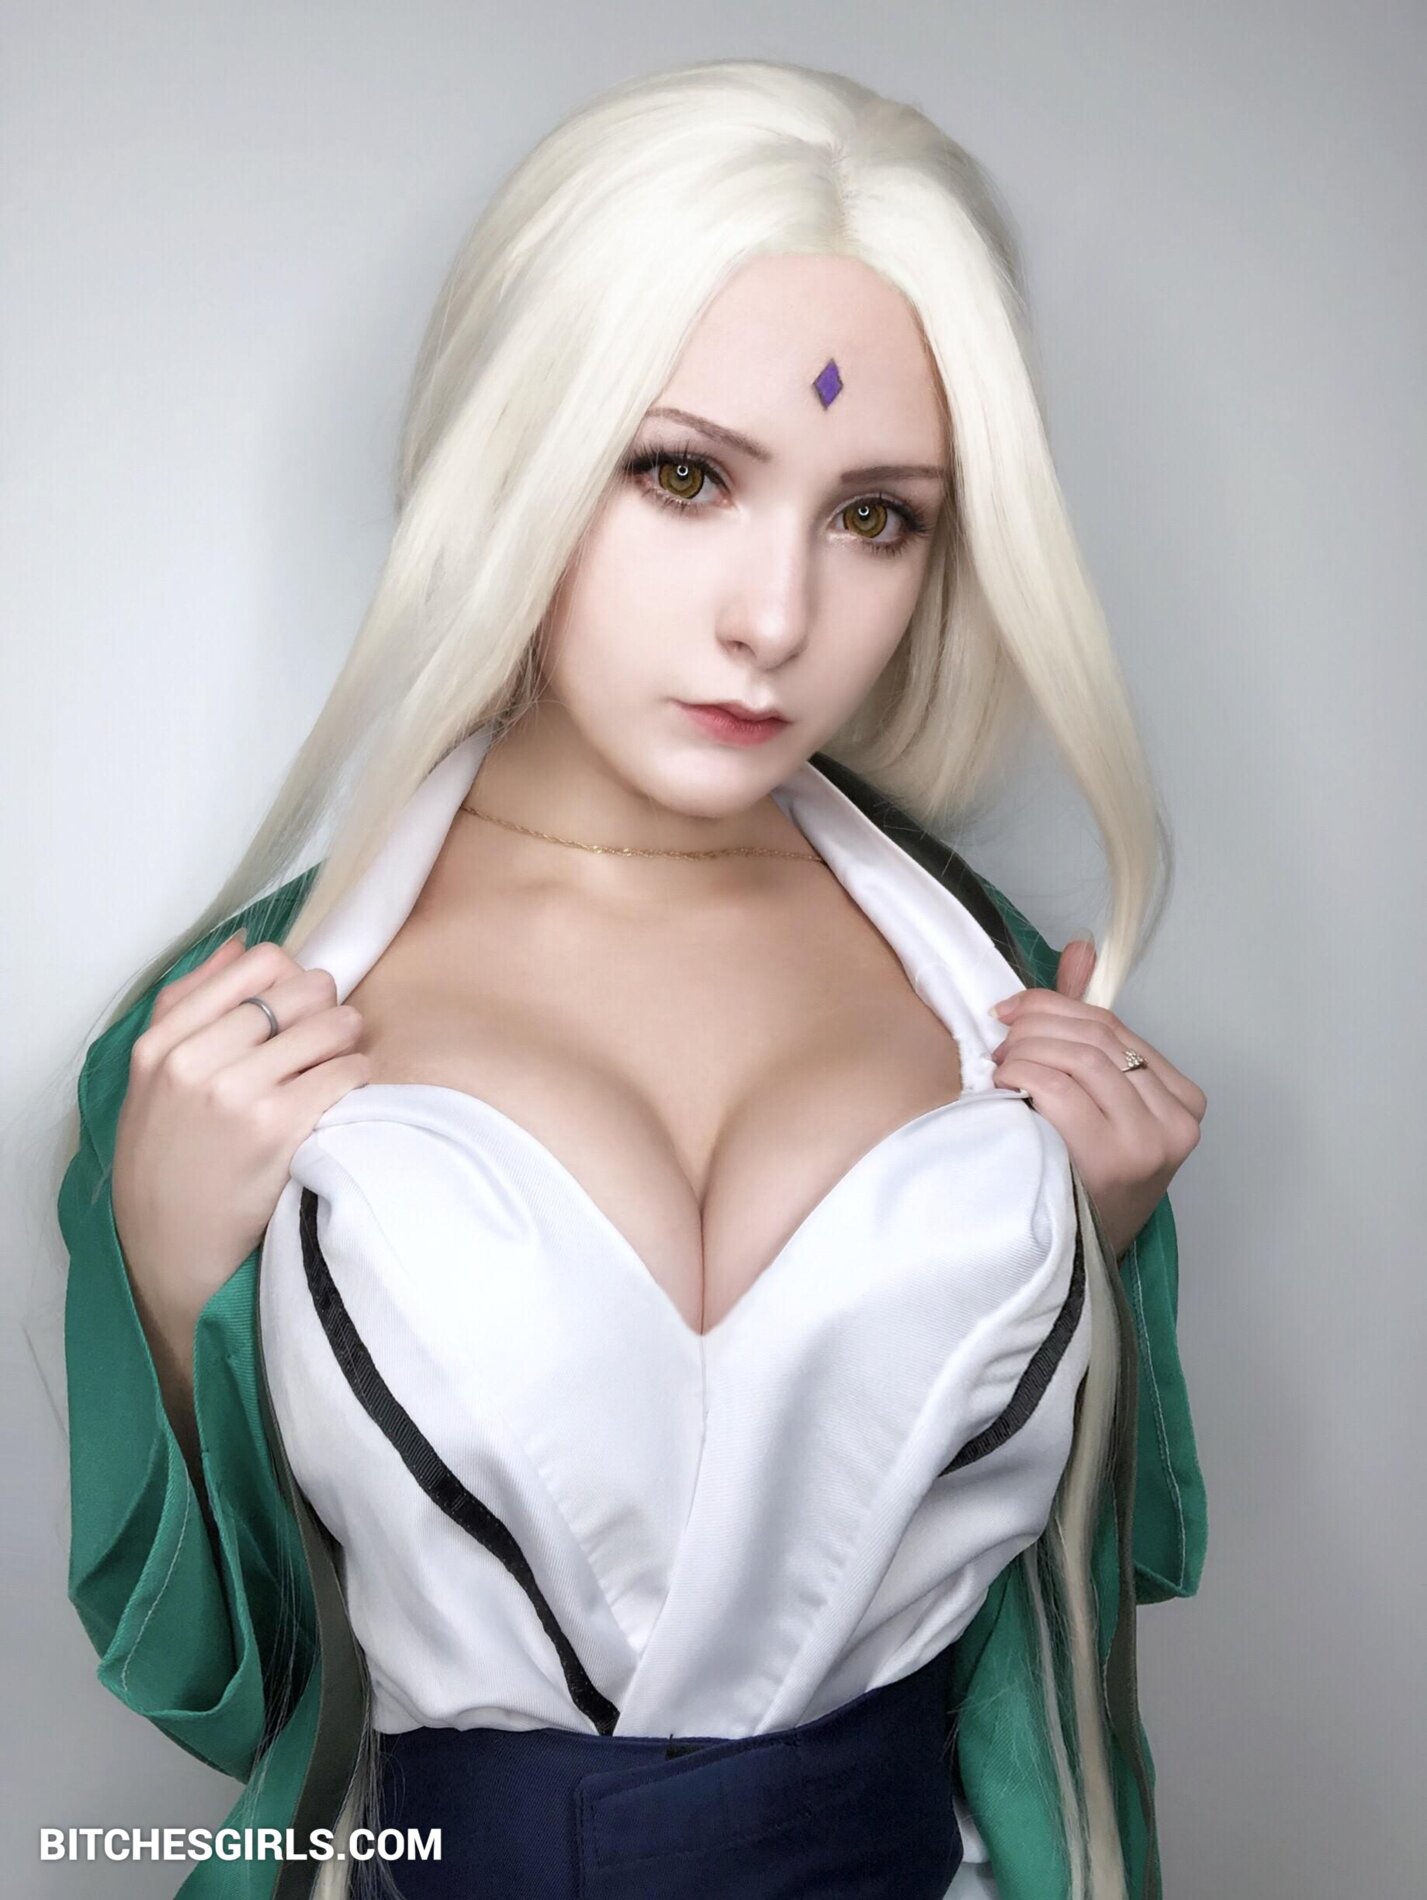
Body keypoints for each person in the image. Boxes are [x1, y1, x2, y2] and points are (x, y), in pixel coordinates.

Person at [55, 57, 1208, 1900]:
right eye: (685, 475)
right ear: (518, 451)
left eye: (875, 516)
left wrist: (1102, 1250)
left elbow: (1089, 1589)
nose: (775, 618)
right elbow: (222, 1678)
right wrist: (181, 1277)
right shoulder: (219, 1038)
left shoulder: (991, 984)